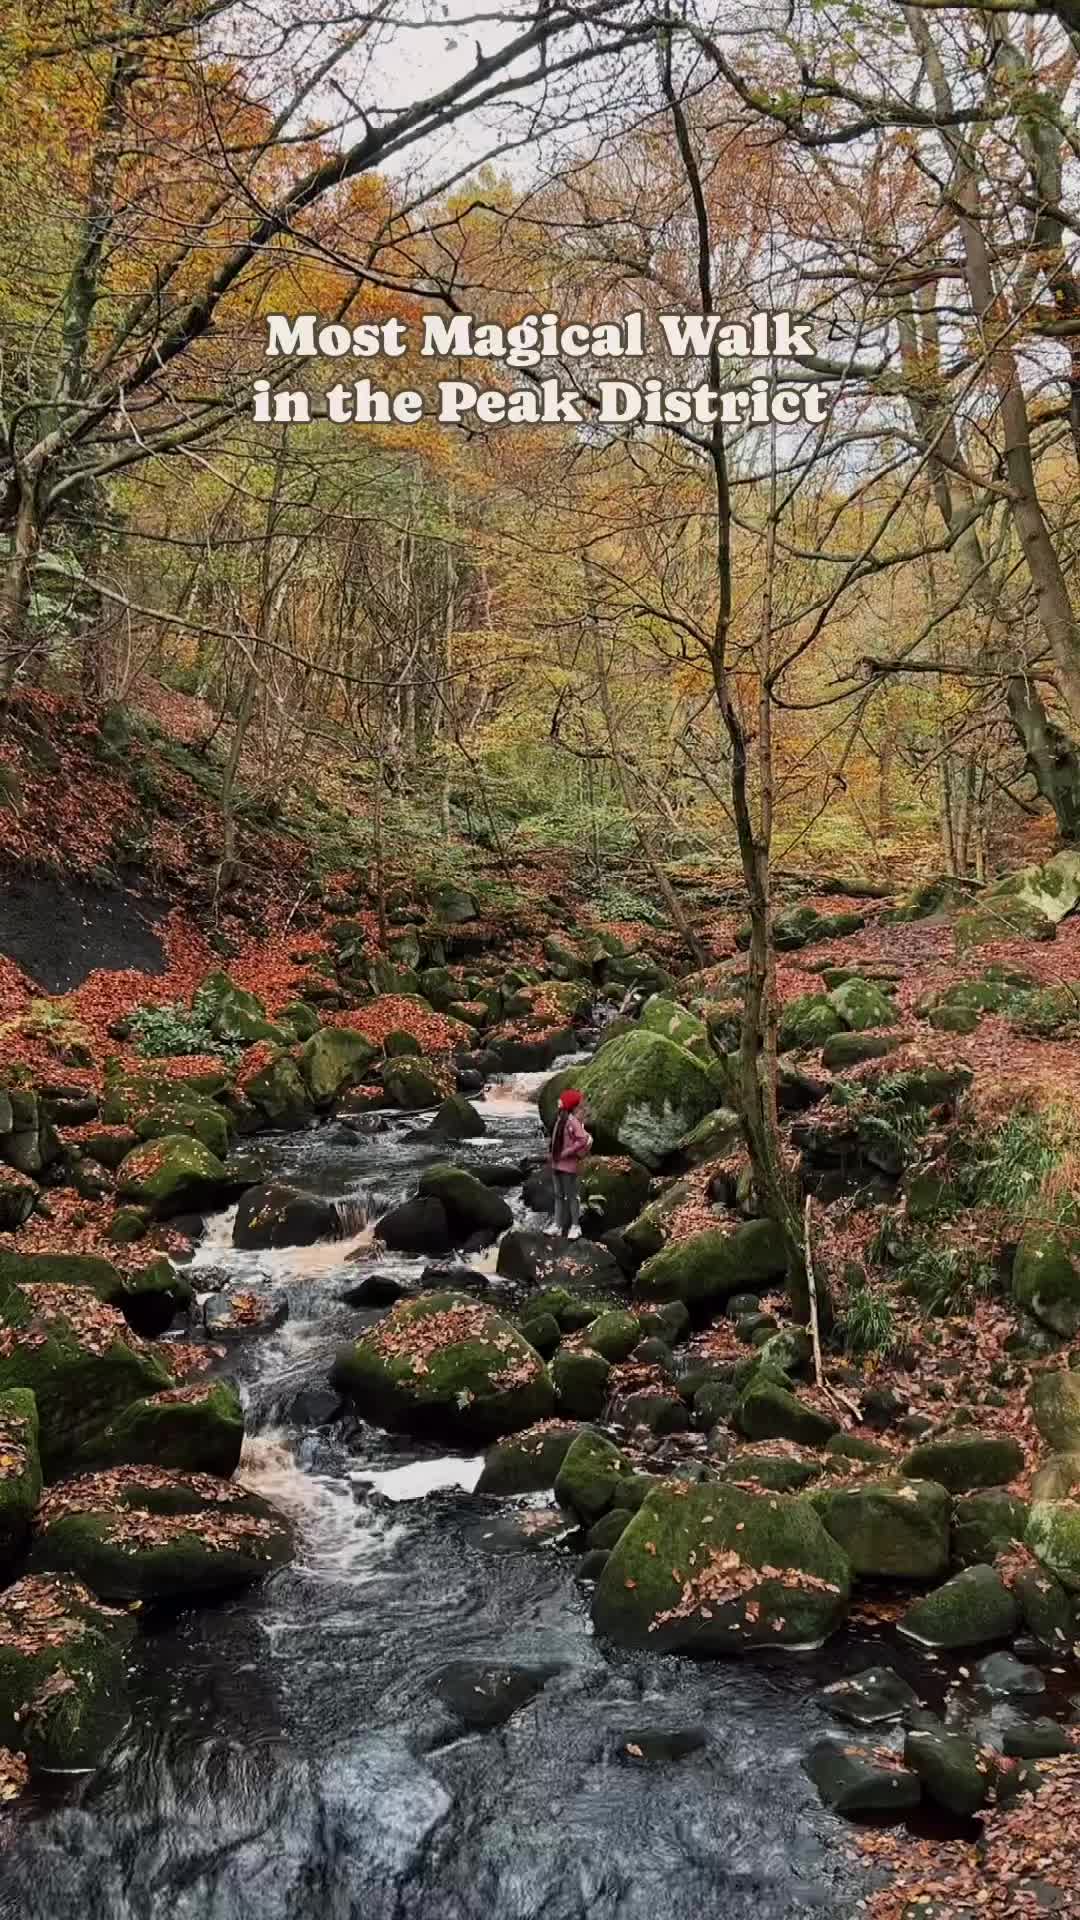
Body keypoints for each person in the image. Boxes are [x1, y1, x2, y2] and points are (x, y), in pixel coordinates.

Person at [549, 1087, 592, 1238]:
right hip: (556, 1164)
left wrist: (568, 1152)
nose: (558, 1105)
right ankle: (557, 1225)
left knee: (572, 1195)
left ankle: (575, 1226)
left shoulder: (572, 1121)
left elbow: (583, 1139)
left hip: (568, 1165)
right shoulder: (560, 1120)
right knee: (558, 1195)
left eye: (561, 1103)